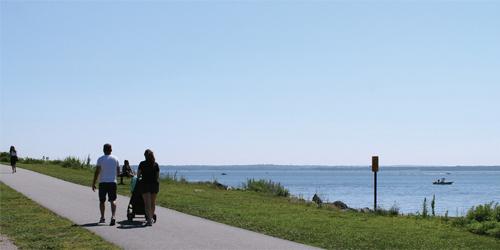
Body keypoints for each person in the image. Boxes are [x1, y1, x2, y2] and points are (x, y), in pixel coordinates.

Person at [92, 144, 120, 226]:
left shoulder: (100, 159)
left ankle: (102, 217)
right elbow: (118, 172)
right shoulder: (116, 159)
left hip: (103, 182)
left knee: (102, 201)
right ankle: (113, 216)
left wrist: (94, 182)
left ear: (103, 150)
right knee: (113, 200)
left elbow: (97, 172)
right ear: (111, 150)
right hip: (112, 182)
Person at [137, 149, 160, 226]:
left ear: (145, 156)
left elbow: (138, 175)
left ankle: (149, 220)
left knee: (147, 204)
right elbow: (157, 176)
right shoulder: (155, 164)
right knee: (153, 203)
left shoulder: (142, 164)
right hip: (154, 185)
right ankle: (151, 218)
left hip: (145, 184)